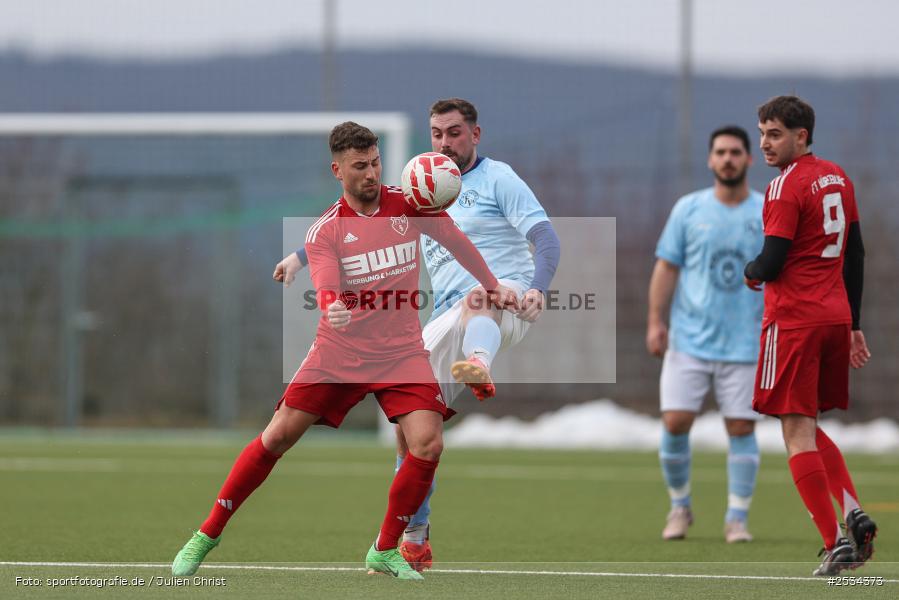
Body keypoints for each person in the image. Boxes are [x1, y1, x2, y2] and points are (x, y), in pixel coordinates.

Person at [172, 121, 518, 581]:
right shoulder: (326, 232)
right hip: (340, 353)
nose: (371, 173)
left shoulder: (409, 204)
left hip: (401, 353)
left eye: (375, 162)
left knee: (428, 443)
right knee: (276, 438)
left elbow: (456, 241)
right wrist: (333, 307)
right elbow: (326, 283)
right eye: (360, 166)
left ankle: (385, 548)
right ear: (338, 170)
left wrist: (493, 287)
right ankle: (207, 533)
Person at [275, 98, 560, 570]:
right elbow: (358, 220)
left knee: (477, 300)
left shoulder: (499, 179)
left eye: (454, 132)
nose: (445, 143)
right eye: (437, 133)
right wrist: (298, 259)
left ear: (476, 135)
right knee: (413, 432)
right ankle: (414, 535)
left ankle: (480, 368)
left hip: (503, 297)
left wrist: (538, 289)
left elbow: (546, 238)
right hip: (444, 320)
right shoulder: (421, 181)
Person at [744, 95, 875, 576]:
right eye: (761, 133)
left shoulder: (784, 186)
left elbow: (773, 259)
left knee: (794, 429)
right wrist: (855, 323)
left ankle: (834, 541)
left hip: (794, 321)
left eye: (774, 134)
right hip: (835, 319)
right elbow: (856, 254)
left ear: (802, 135)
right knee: (810, 425)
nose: (764, 144)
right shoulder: (839, 176)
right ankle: (853, 512)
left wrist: (750, 269)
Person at [647, 126, 764, 543]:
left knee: (740, 428)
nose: (728, 158)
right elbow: (666, 267)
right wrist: (656, 321)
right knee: (676, 421)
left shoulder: (767, 210)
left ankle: (737, 517)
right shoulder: (688, 209)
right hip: (690, 339)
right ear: (710, 160)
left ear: (749, 159)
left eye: (735, 152)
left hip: (748, 341)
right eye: (720, 152)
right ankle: (680, 508)